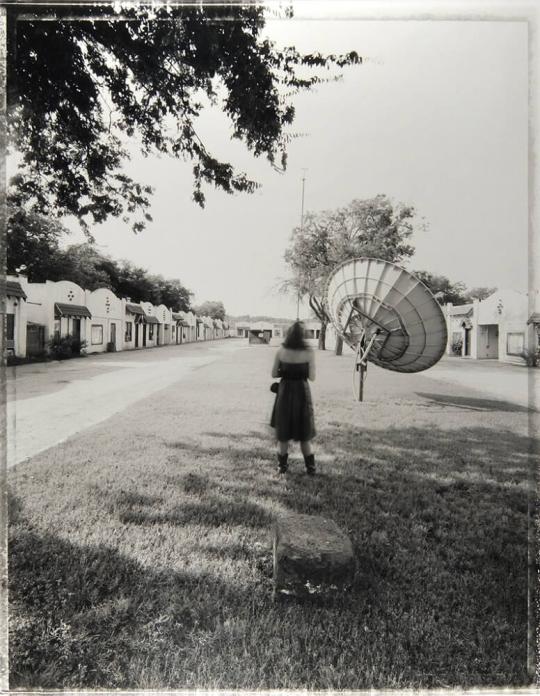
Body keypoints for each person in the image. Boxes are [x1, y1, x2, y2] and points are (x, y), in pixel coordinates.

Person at [270, 320, 316, 475]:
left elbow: (274, 374)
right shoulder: (309, 352)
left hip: (285, 392)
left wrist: (286, 372)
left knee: (283, 433)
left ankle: (282, 467)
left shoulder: (281, 351)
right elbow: (312, 377)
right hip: (302, 392)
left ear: (288, 334)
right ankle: (310, 468)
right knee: (304, 434)